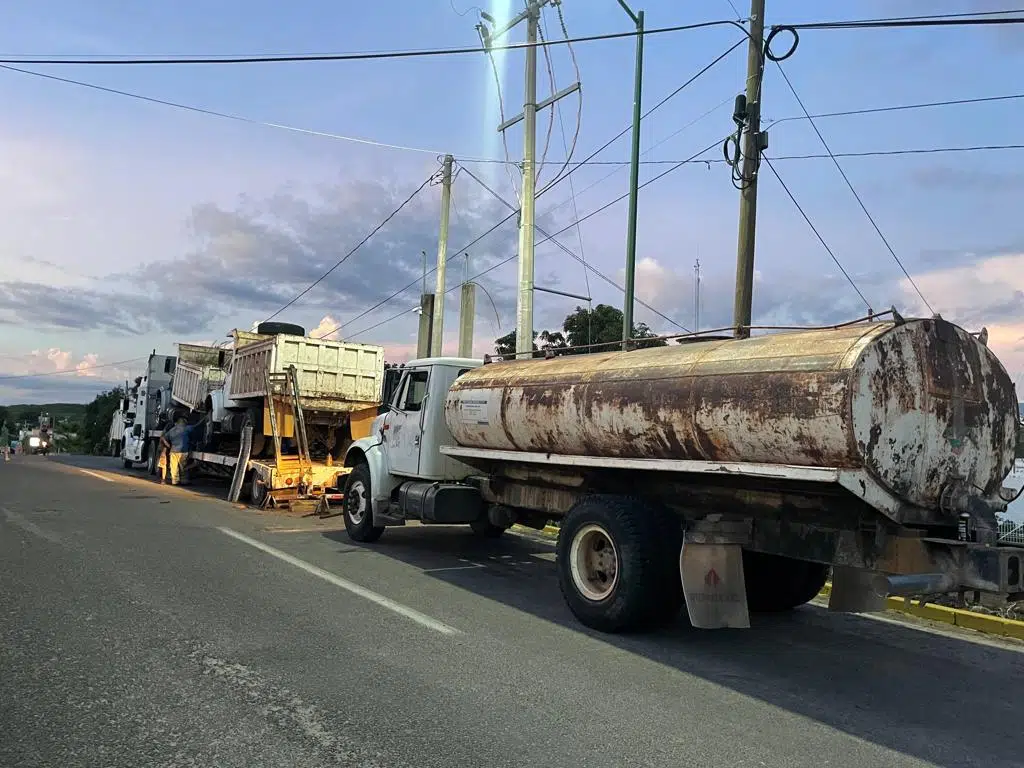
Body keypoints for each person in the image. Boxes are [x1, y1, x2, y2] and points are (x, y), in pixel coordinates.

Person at [160, 416, 189, 486]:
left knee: (174, 467)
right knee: (183, 466)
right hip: (184, 451)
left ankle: (175, 481)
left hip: (174, 451)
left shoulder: (172, 430)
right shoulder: (187, 429)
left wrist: (168, 446)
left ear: (177, 423)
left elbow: (163, 438)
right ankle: (184, 480)